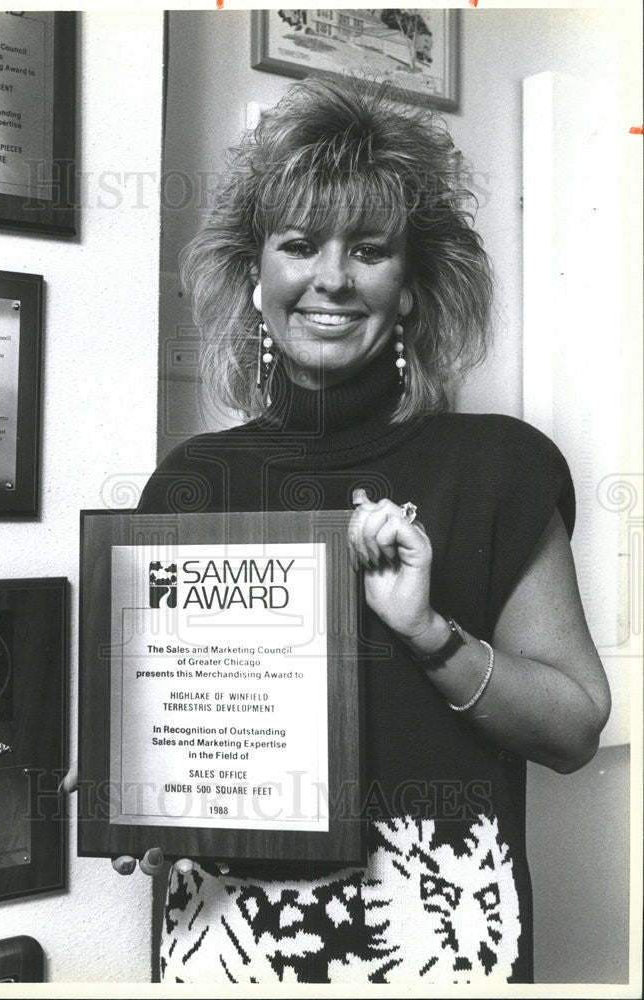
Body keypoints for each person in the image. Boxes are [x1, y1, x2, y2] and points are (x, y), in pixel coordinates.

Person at [113, 75, 611, 984]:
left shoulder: (499, 468)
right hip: (233, 936)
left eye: (369, 249)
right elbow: (168, 734)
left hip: (433, 930)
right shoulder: (192, 481)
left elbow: (574, 730)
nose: (330, 278)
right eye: (298, 244)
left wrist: (426, 633)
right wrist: (135, 793)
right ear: (254, 277)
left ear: (413, 288)